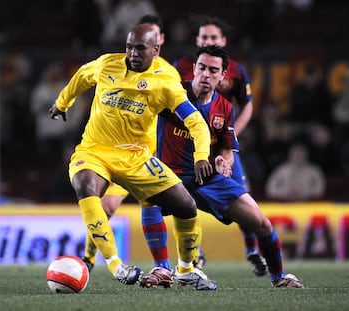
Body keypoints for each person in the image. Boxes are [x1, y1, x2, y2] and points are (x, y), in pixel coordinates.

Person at [49, 23, 217, 290]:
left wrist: (201, 156)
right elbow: (82, 75)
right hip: (95, 151)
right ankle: (116, 265)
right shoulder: (107, 65)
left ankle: (185, 269)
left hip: (137, 158)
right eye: (129, 47)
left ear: (156, 49)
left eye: (140, 48)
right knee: (85, 185)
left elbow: (196, 122)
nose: (133, 53)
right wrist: (62, 103)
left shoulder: (166, 81)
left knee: (186, 206)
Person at [139, 45, 304, 289]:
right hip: (171, 178)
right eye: (202, 68)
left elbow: (227, 151)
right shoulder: (172, 94)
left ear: (222, 75)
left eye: (213, 70)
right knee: (148, 195)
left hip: (207, 179)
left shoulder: (225, 108)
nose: (206, 74)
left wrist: (222, 161)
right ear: (193, 69)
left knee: (262, 223)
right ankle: (162, 269)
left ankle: (279, 277)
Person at [81, 14, 189, 272]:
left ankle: (168, 264)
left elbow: (174, 115)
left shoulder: (168, 74)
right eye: (132, 44)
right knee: (105, 206)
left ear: (158, 42)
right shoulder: (118, 66)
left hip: (143, 153)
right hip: (110, 152)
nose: (134, 51)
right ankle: (88, 257)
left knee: (165, 203)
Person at [173, 15, 266, 276]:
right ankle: (195, 255)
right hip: (185, 147)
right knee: (184, 201)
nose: (208, 41)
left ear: (223, 41)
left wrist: (233, 134)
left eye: (213, 37)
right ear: (197, 40)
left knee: (240, 194)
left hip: (221, 146)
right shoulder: (178, 67)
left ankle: (252, 251)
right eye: (204, 37)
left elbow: (247, 104)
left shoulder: (236, 70)